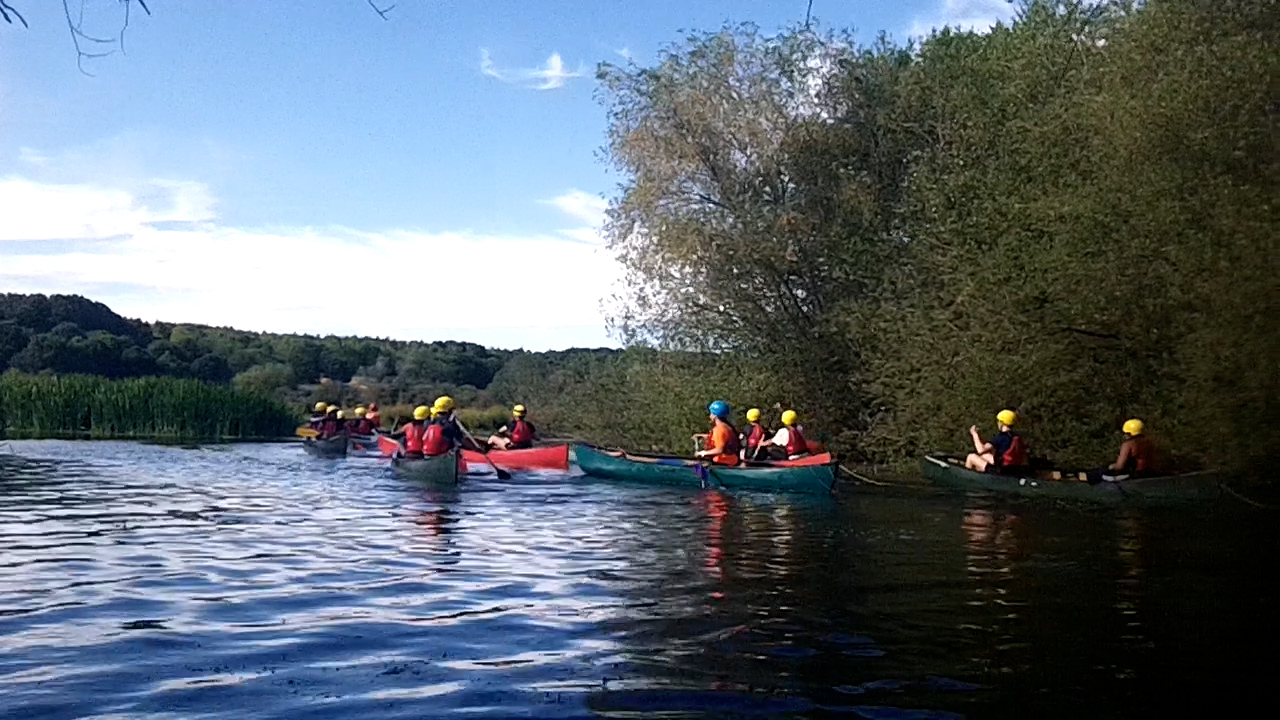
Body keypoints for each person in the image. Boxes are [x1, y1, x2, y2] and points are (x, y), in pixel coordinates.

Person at [1090, 418, 1156, 483]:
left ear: (1129, 433)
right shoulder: (1150, 442)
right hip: (1149, 473)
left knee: (1099, 473)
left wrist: (1111, 466)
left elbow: (1119, 466)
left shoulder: (1128, 444)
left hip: (1133, 476)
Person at [695, 400, 740, 466]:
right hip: (731, 461)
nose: (710, 416)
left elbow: (719, 450)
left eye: (711, 413)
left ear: (715, 415)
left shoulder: (719, 429)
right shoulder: (727, 427)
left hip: (722, 463)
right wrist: (702, 436)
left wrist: (703, 453)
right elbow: (721, 439)